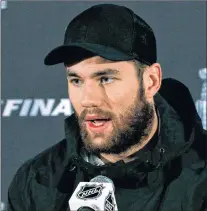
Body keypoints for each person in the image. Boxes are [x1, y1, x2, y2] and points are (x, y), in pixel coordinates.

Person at [8, 3, 207, 211]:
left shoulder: (200, 179)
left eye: (105, 78)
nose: (88, 99)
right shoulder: (36, 182)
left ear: (151, 81)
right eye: (76, 81)